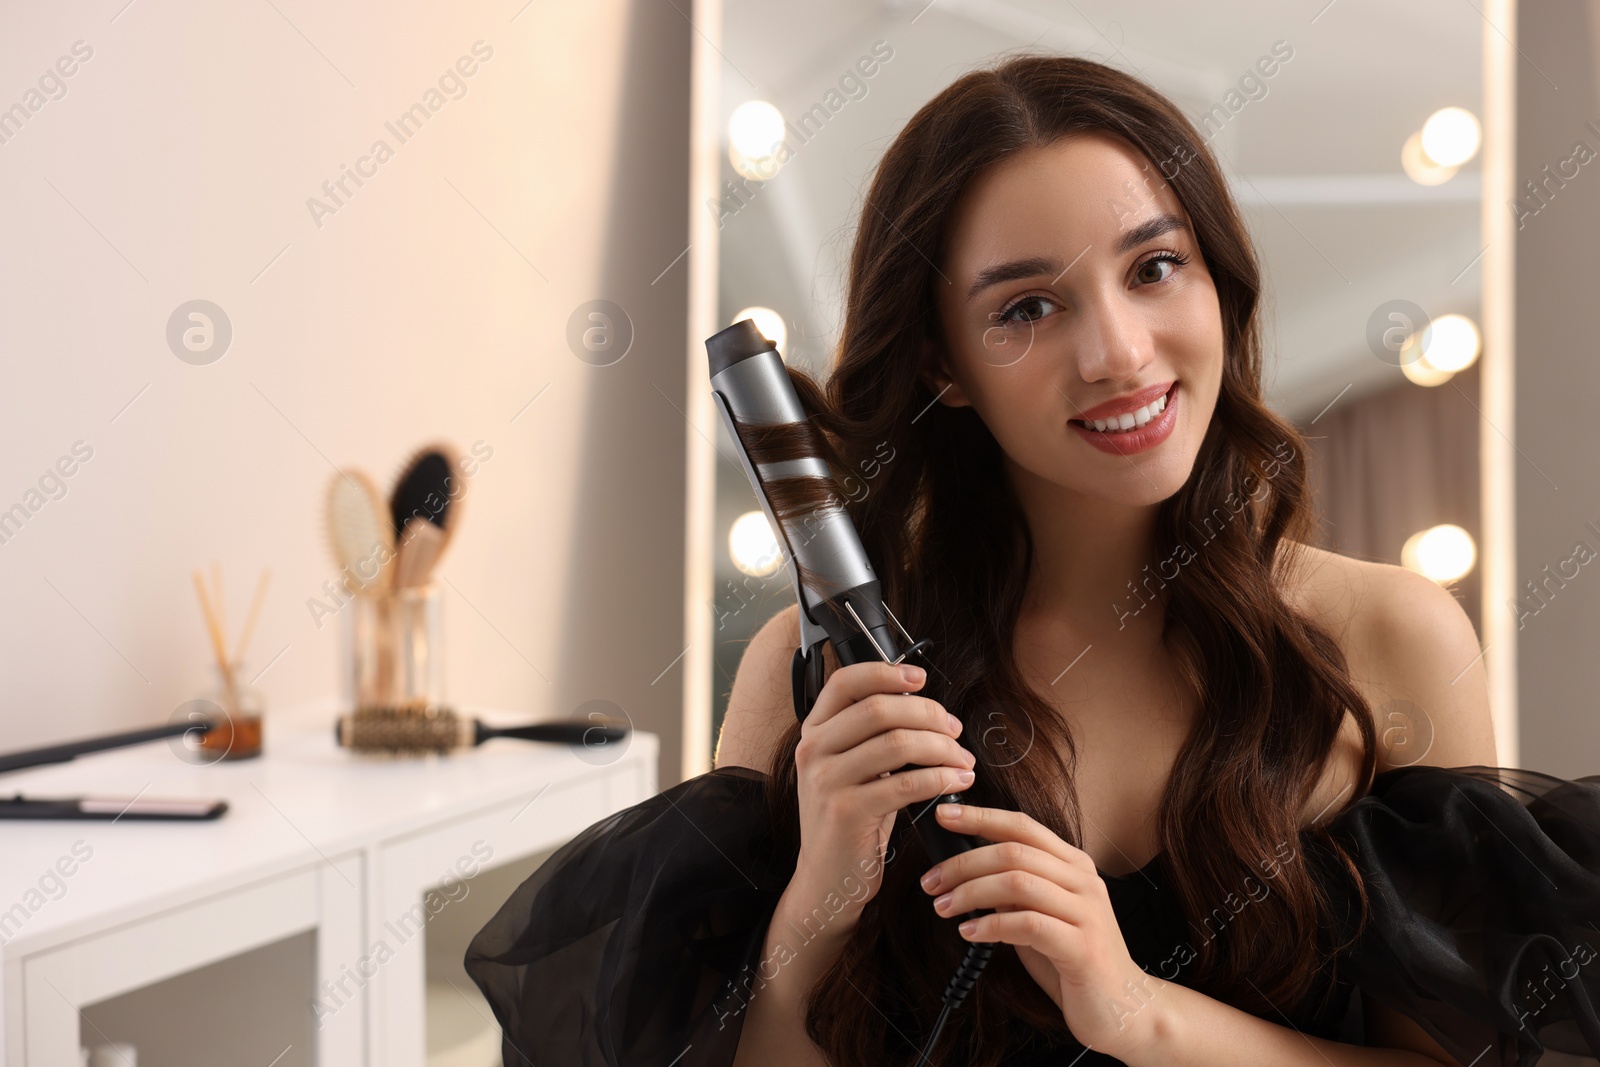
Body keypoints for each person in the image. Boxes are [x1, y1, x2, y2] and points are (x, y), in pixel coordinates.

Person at [466, 53, 1600, 1067]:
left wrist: (1138, 1013)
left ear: (1217, 279)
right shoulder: (814, 679)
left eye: (1154, 268)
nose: (1116, 351)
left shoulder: (1389, 639)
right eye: (1026, 307)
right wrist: (815, 905)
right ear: (941, 361)